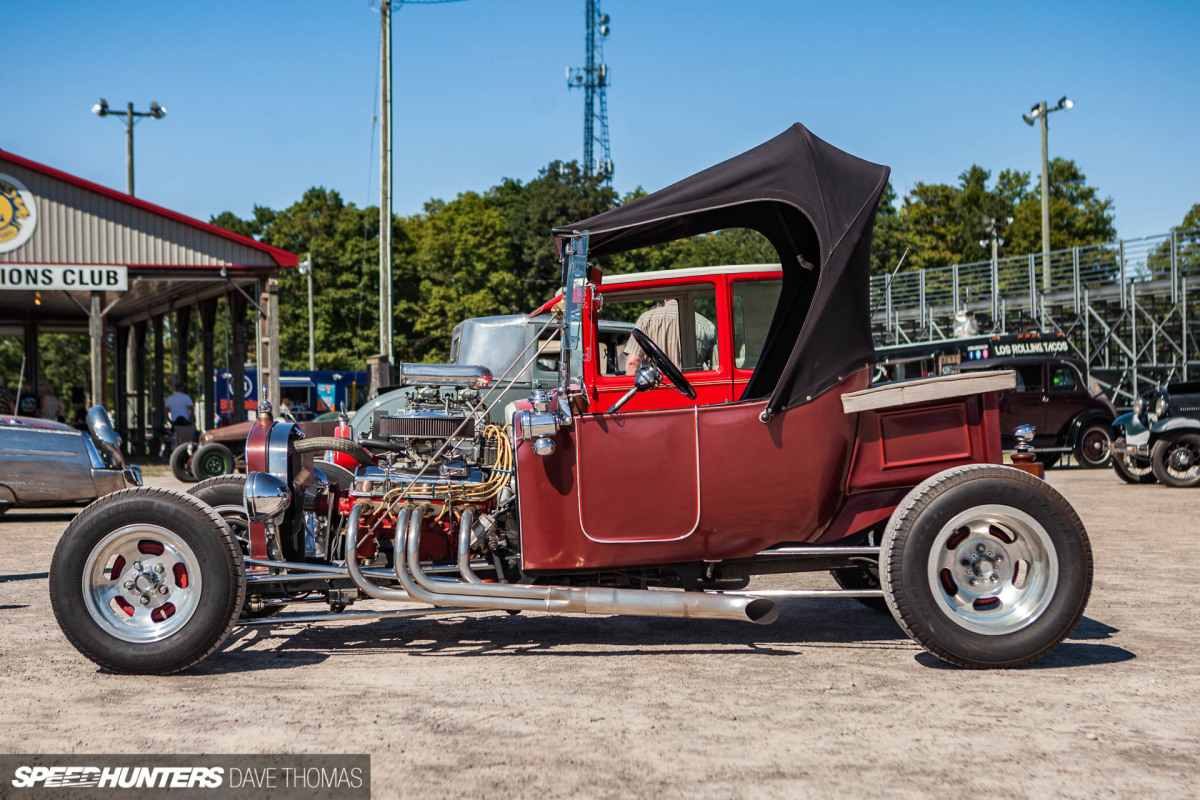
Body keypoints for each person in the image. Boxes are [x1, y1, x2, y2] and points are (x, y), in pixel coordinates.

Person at [625, 299, 717, 376]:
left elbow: (633, 362)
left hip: (657, 388)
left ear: (665, 300)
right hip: (693, 390)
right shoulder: (707, 325)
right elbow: (717, 367)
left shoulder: (646, 319)